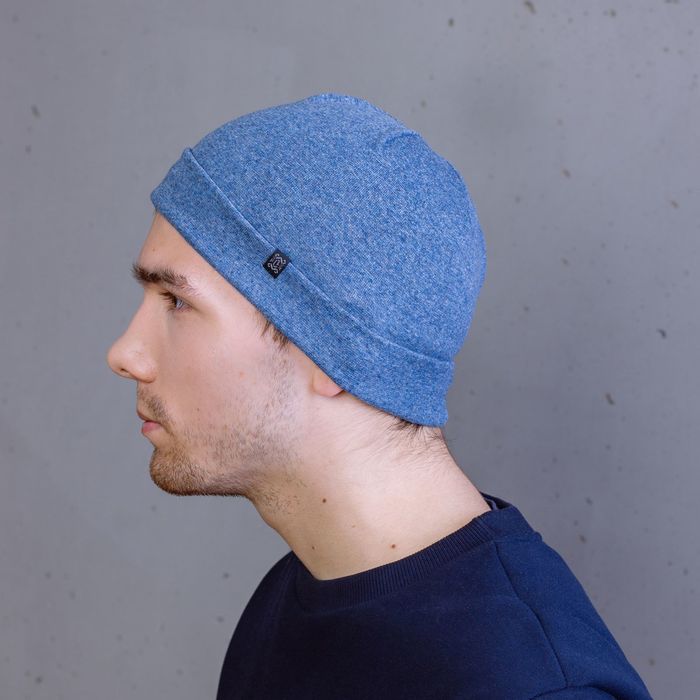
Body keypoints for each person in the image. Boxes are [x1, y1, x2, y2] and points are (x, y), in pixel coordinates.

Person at [106, 93, 654, 699]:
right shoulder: (296, 598)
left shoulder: (529, 688)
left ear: (333, 349)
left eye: (176, 301)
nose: (126, 353)